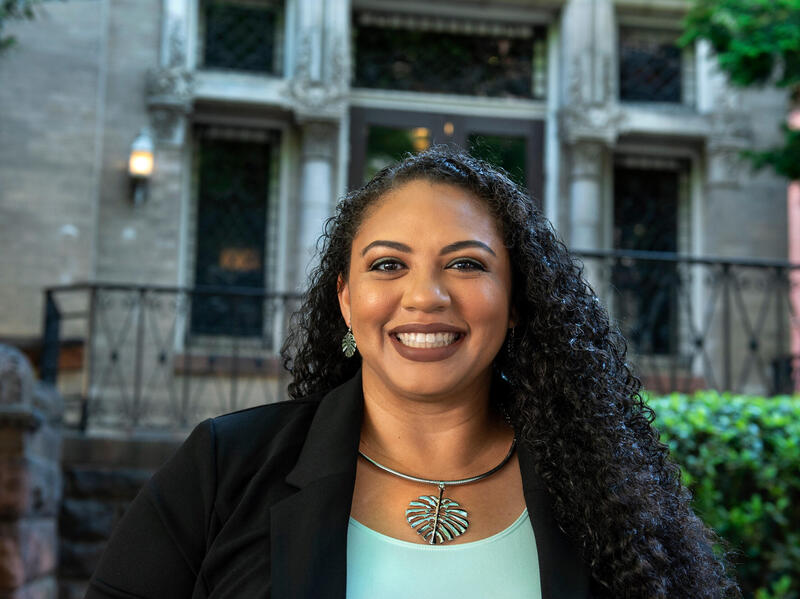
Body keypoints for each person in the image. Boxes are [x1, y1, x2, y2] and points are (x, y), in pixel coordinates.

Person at [86, 148, 738, 599]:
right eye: (389, 265)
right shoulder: (224, 468)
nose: (425, 296)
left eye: (467, 264)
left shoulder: (603, 487)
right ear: (346, 297)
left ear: (516, 301)